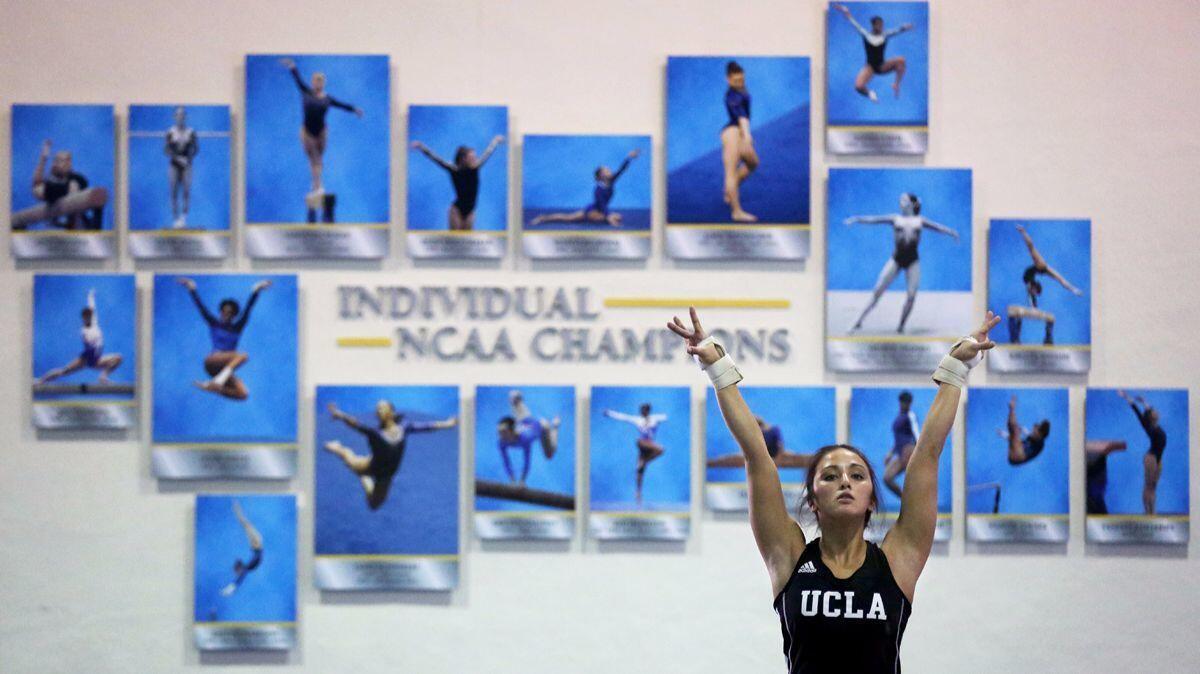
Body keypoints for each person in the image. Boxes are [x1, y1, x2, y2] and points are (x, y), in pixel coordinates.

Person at [669, 305, 998, 672]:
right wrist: (717, 366)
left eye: (857, 475)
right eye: (830, 475)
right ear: (812, 499)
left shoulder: (897, 560)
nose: (844, 480)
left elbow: (927, 454)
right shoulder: (789, 556)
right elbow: (757, 456)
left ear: (872, 498)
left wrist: (955, 370)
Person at [845, 192, 959, 333]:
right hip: (896, 259)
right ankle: (858, 321)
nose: (901, 202)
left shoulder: (920, 220)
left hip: (912, 261)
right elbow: (874, 219)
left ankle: (901, 326)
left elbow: (937, 227)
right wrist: (856, 219)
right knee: (877, 290)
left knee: (911, 296)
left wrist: (952, 232)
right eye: (900, 200)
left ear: (912, 203)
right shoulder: (895, 218)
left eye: (904, 200)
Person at [324, 400, 457, 511]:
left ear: (392, 412)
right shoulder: (375, 433)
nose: (378, 411)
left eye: (382, 408)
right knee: (350, 462)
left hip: (385, 475)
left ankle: (364, 478)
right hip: (370, 466)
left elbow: (428, 426)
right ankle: (338, 448)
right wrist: (341, 415)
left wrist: (447, 423)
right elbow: (356, 424)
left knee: (373, 505)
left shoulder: (404, 427)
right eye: (377, 409)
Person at [280, 57, 364, 199]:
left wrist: (354, 109)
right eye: (315, 81)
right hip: (307, 132)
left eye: (320, 81)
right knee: (315, 159)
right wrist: (292, 67)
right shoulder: (306, 91)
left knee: (318, 160)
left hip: (322, 132)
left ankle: (315, 184)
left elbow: (341, 105)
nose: (318, 83)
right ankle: (318, 186)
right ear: (312, 82)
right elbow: (298, 80)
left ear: (324, 83)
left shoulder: (327, 99)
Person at [176, 277, 271, 400]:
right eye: (224, 311)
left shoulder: (237, 327)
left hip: (221, 370)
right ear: (220, 312)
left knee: (243, 394)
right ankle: (218, 381)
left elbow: (248, 309)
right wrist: (192, 288)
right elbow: (201, 308)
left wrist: (256, 291)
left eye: (230, 313)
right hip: (213, 360)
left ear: (234, 315)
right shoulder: (214, 323)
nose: (226, 314)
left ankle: (212, 387)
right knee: (243, 356)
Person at [1009, 224, 1084, 344]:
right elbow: (1030, 246)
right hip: (1033, 272)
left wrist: (1074, 290)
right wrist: (1023, 232)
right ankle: (1032, 306)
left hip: (1036, 272)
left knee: (1055, 280)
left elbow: (1063, 282)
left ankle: (1033, 307)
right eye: (1035, 291)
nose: (1034, 292)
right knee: (1033, 255)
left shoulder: (1046, 271)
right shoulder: (1038, 264)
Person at [410, 135, 504, 231]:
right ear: (463, 159)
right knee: (455, 238)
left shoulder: (475, 168)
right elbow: (437, 159)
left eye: (475, 158)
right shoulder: (454, 169)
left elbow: (487, 153)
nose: (475, 160)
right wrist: (421, 147)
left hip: (470, 210)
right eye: (472, 158)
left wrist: (495, 141)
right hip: (457, 210)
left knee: (467, 239)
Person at [530, 149, 641, 227]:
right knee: (566, 218)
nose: (610, 171)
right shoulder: (598, 190)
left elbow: (621, 170)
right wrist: (609, 217)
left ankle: (603, 218)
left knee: (618, 217)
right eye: (606, 170)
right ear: (601, 176)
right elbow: (602, 205)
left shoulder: (612, 180)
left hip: (600, 211)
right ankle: (542, 218)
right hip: (592, 211)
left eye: (609, 169)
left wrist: (629, 157)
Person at [35, 288, 124, 386]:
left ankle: (103, 377)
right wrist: (94, 342)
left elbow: (92, 306)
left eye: (89, 317)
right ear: (83, 319)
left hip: (97, 359)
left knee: (118, 358)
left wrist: (90, 295)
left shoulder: (94, 322)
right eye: (86, 318)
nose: (88, 319)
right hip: (85, 360)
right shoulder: (84, 331)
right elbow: (89, 343)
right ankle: (40, 381)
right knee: (63, 371)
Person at [832, 3, 914, 102]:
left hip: (882, 66)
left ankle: (896, 84)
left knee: (901, 60)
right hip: (870, 67)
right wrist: (845, 11)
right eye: (879, 25)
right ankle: (870, 93)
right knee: (858, 86)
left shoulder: (885, 35)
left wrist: (905, 27)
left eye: (882, 25)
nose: (881, 27)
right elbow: (853, 22)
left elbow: (897, 30)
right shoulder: (866, 34)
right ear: (873, 25)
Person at [603, 403, 668, 506]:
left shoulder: (655, 418)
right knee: (640, 445)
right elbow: (623, 417)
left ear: (647, 411)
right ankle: (638, 491)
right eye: (640, 411)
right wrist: (609, 413)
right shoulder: (638, 420)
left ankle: (643, 466)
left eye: (643, 411)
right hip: (643, 444)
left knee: (644, 466)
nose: (641, 413)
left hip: (650, 447)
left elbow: (665, 416)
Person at [30, 139, 102, 229]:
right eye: (54, 161)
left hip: (79, 223)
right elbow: (36, 187)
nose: (55, 164)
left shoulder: (78, 179)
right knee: (39, 189)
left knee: (74, 186)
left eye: (60, 161)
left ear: (69, 164)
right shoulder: (51, 184)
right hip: (59, 211)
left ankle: (73, 223)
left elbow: (80, 196)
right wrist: (43, 159)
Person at [720, 61, 759, 223]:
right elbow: (742, 117)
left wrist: (746, 134)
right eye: (736, 81)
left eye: (742, 80)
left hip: (740, 132)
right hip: (732, 133)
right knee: (730, 171)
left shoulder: (741, 90)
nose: (740, 83)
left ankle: (730, 189)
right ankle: (736, 211)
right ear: (728, 79)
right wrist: (747, 135)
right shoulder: (732, 96)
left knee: (753, 163)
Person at [1118, 390, 1167, 514]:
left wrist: (1144, 402)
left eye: (1154, 411)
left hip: (1158, 458)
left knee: (1153, 488)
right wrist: (1126, 397)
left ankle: (1153, 512)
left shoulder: (1154, 423)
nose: (1155, 411)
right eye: (1153, 412)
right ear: (1151, 417)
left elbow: (1148, 410)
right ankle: (1147, 512)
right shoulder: (1149, 426)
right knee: (1148, 487)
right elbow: (1136, 411)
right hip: (1151, 458)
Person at [707, 416, 817, 470]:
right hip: (762, 455)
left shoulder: (773, 430)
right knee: (732, 460)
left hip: (776, 455)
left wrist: (777, 460)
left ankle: (816, 459)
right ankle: (710, 463)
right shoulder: (752, 433)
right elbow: (745, 449)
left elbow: (780, 448)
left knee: (795, 458)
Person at [881, 391, 920, 498]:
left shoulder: (910, 415)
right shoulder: (899, 416)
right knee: (887, 478)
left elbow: (917, 435)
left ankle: (915, 505)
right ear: (900, 402)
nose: (905, 404)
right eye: (903, 402)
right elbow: (898, 439)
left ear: (910, 403)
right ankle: (905, 500)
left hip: (909, 450)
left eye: (908, 402)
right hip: (899, 452)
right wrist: (890, 453)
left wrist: (918, 454)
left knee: (912, 481)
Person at [220, 500, 263, 597]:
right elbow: (242, 520)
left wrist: (237, 509)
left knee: (244, 571)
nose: (237, 571)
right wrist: (237, 510)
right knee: (244, 570)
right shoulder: (251, 534)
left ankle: (232, 588)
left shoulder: (253, 534)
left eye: (237, 570)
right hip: (256, 554)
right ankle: (232, 587)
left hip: (258, 555)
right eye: (237, 570)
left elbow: (243, 520)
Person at [165, 106, 199, 229]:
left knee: (186, 190)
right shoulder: (170, 132)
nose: (180, 117)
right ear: (175, 117)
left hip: (187, 164)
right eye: (178, 115)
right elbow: (167, 150)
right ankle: (175, 219)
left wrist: (188, 159)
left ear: (185, 117)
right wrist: (178, 158)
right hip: (174, 164)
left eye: (182, 115)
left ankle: (184, 218)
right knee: (173, 191)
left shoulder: (191, 132)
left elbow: (196, 149)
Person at [997, 395, 1052, 465]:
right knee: (1016, 434)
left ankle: (1012, 409)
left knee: (1015, 431)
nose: (1032, 433)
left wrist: (1024, 431)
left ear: (1040, 435)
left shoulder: (1040, 444)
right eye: (1033, 432)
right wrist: (1003, 434)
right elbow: (1015, 440)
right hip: (1013, 456)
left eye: (1034, 432)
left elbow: (1036, 436)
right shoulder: (1032, 438)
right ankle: (1012, 409)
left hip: (1018, 457)